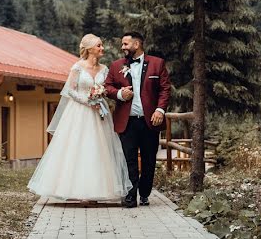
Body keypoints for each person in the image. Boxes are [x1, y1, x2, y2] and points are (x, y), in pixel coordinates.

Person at [27, 34, 132, 203]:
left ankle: (97, 189)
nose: (102, 48)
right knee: (78, 147)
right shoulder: (77, 67)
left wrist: (101, 95)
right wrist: (87, 101)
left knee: (99, 149)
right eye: (99, 45)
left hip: (99, 113)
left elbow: (107, 88)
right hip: (79, 111)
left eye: (102, 45)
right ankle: (74, 189)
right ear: (90, 49)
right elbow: (69, 90)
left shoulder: (105, 69)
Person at [104, 31, 171, 208]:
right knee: (129, 159)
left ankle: (145, 193)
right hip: (127, 121)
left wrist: (160, 110)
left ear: (137, 44)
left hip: (150, 121)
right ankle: (130, 196)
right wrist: (119, 93)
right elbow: (107, 87)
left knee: (149, 160)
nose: (122, 47)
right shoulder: (116, 65)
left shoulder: (158, 63)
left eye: (125, 44)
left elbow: (165, 89)